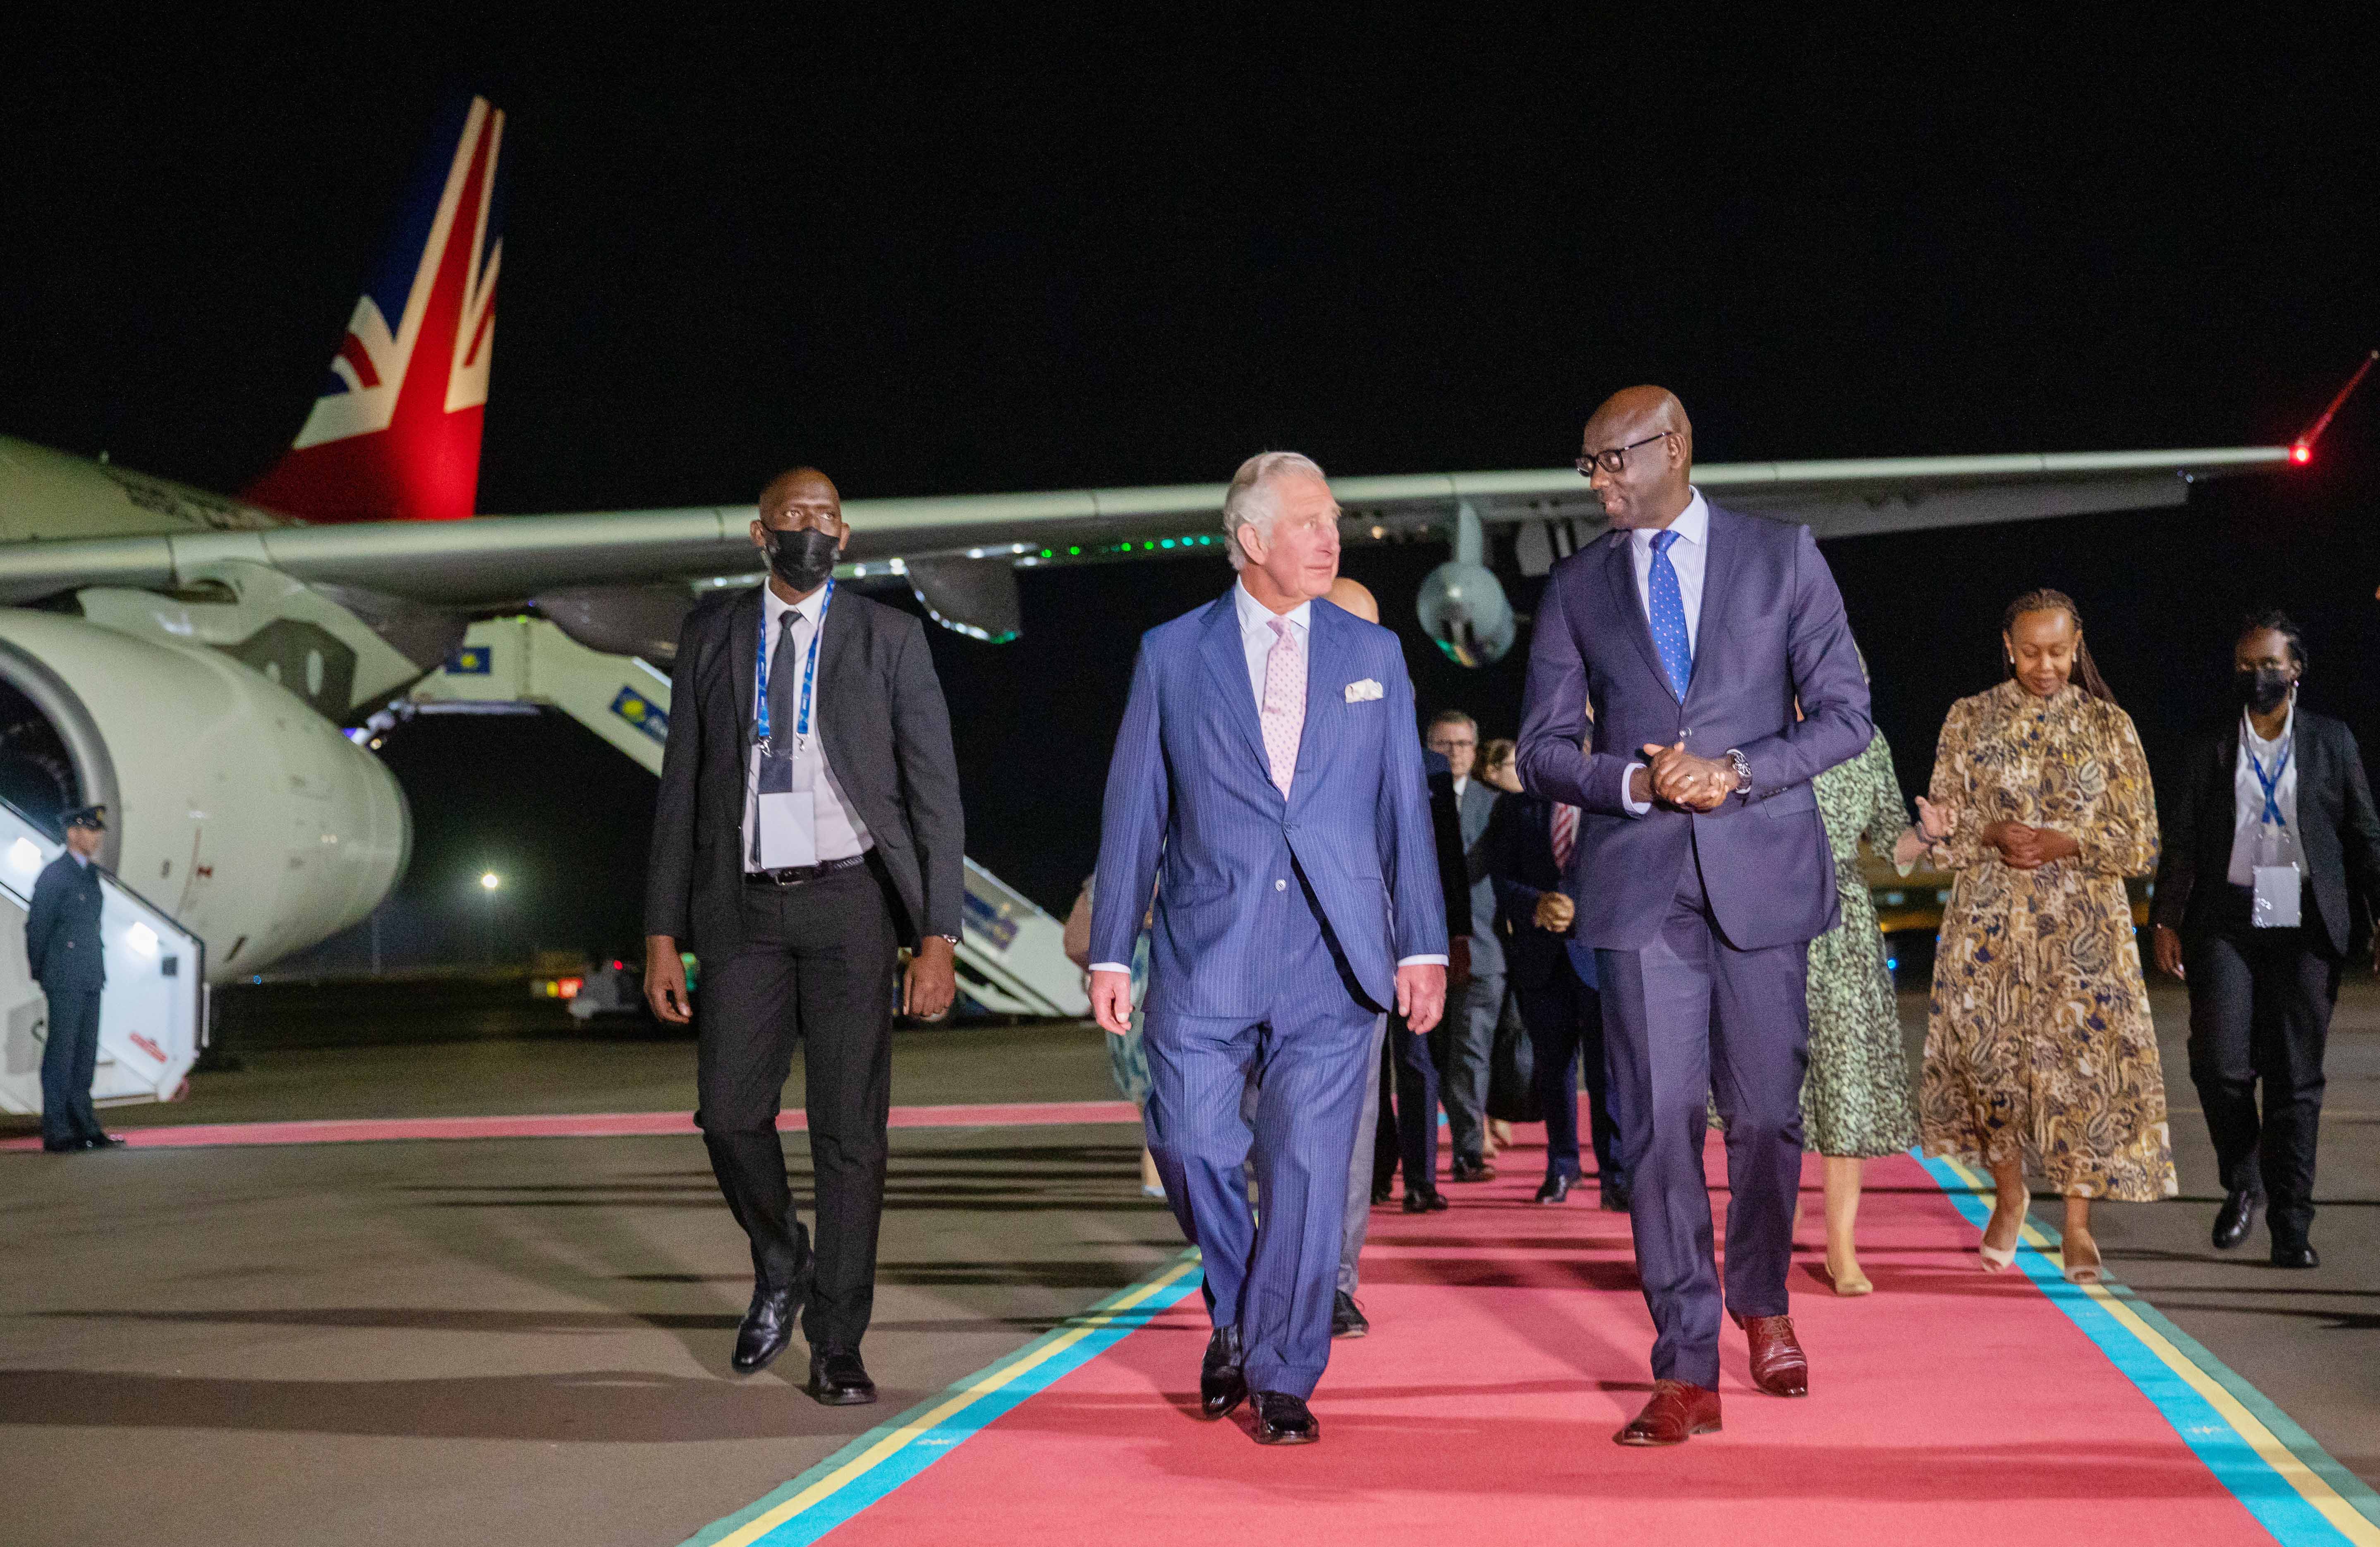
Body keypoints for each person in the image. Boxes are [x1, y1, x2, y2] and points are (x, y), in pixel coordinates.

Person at [1517, 386, 1870, 1447]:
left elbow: (1849, 714)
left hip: (1760, 877)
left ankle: (1762, 1299)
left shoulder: (1784, 556)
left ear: (1672, 447)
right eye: (1587, 465)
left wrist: (1739, 772)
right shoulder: (1576, 587)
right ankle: (1684, 1361)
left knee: (1765, 1116)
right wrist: (1634, 784)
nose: (1600, 482)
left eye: (1612, 460)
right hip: (1638, 891)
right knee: (1658, 1125)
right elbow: (1539, 747)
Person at [1089, 450, 1447, 1447]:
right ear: (1250, 540)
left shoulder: (1371, 657)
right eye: (1306, 522)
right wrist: (1110, 952)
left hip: (1337, 959)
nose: (1331, 536)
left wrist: (1423, 944)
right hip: (1208, 947)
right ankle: (1249, 1312)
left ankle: (1283, 1372)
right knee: (1193, 1144)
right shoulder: (1171, 654)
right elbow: (1134, 814)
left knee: (1303, 1167)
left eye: (1334, 518)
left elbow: (1403, 817)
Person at [644, 466, 965, 1406]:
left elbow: (936, 795)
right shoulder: (711, 636)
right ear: (760, 533)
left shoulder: (890, 638)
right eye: (795, 516)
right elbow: (682, 791)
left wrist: (937, 934)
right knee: (730, 1114)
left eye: (827, 516)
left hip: (849, 905)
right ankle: (781, 1254)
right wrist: (662, 929)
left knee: (850, 1132)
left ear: (847, 536)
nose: (812, 528)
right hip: (738, 909)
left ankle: (836, 1338)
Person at [1920, 588, 2171, 1287]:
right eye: (2030, 650)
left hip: (2082, 931)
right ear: (2007, 644)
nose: (2044, 664)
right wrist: (1988, 831)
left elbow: (2141, 839)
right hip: (1988, 926)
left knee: (2082, 1072)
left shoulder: (2107, 726)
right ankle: (2008, 1195)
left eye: (2058, 650)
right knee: (1990, 1067)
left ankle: (2078, 1226)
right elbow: (1940, 836)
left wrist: (2069, 840)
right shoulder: (1967, 718)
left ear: (2077, 642)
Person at [2151, 610, 2380, 1269]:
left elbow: (2364, 835)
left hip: (2304, 916)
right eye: (2247, 667)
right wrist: (2165, 917)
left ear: (2296, 669)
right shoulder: (2210, 746)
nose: (2259, 676)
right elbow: (2184, 840)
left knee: (2293, 1079)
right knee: (2218, 1064)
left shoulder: (2332, 742)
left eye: (2270, 664)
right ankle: (2243, 1176)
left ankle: (2290, 1224)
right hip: (2228, 915)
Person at [1797, 716, 1937, 1295]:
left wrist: (1926, 835)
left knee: (1845, 1088)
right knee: (1760, 1089)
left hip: (1843, 922)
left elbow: (1889, 838)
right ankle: (1760, 1233)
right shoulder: (1752, 719)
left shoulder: (1864, 738)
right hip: (1757, 909)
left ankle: (1841, 1247)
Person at [1486, 780, 1625, 1208]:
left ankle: (1616, 1175)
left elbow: (1633, 874)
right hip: (1541, 955)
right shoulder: (1517, 807)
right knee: (1552, 1068)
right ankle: (1562, 1166)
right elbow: (1501, 877)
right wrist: (1536, 905)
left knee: (1608, 1072)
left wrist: (1584, 907)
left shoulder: (1612, 802)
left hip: (1600, 954)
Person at [1428, 710, 1504, 1182]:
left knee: (1471, 1053)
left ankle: (1468, 1151)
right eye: (1443, 743)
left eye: (1461, 744)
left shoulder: (1497, 805)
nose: (1453, 752)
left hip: (1483, 950)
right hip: (1422, 956)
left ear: (1476, 751)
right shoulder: (1411, 799)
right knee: (1433, 1059)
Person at [26, 804, 122, 1154]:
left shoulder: (90, 876)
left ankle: (85, 1125)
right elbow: (37, 928)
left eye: (98, 831)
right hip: (64, 976)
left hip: (90, 975)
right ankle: (57, 1129)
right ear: (72, 833)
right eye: (89, 831)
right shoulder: (55, 875)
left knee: (84, 1055)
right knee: (61, 1055)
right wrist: (43, 971)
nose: (95, 837)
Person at [1062, 873, 1164, 1199]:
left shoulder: (1104, 875)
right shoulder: (1170, 861)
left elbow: (1076, 941)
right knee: (1159, 1084)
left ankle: (1155, 1169)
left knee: (1146, 1090)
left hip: (1120, 983)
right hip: (1150, 982)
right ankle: (1158, 1170)